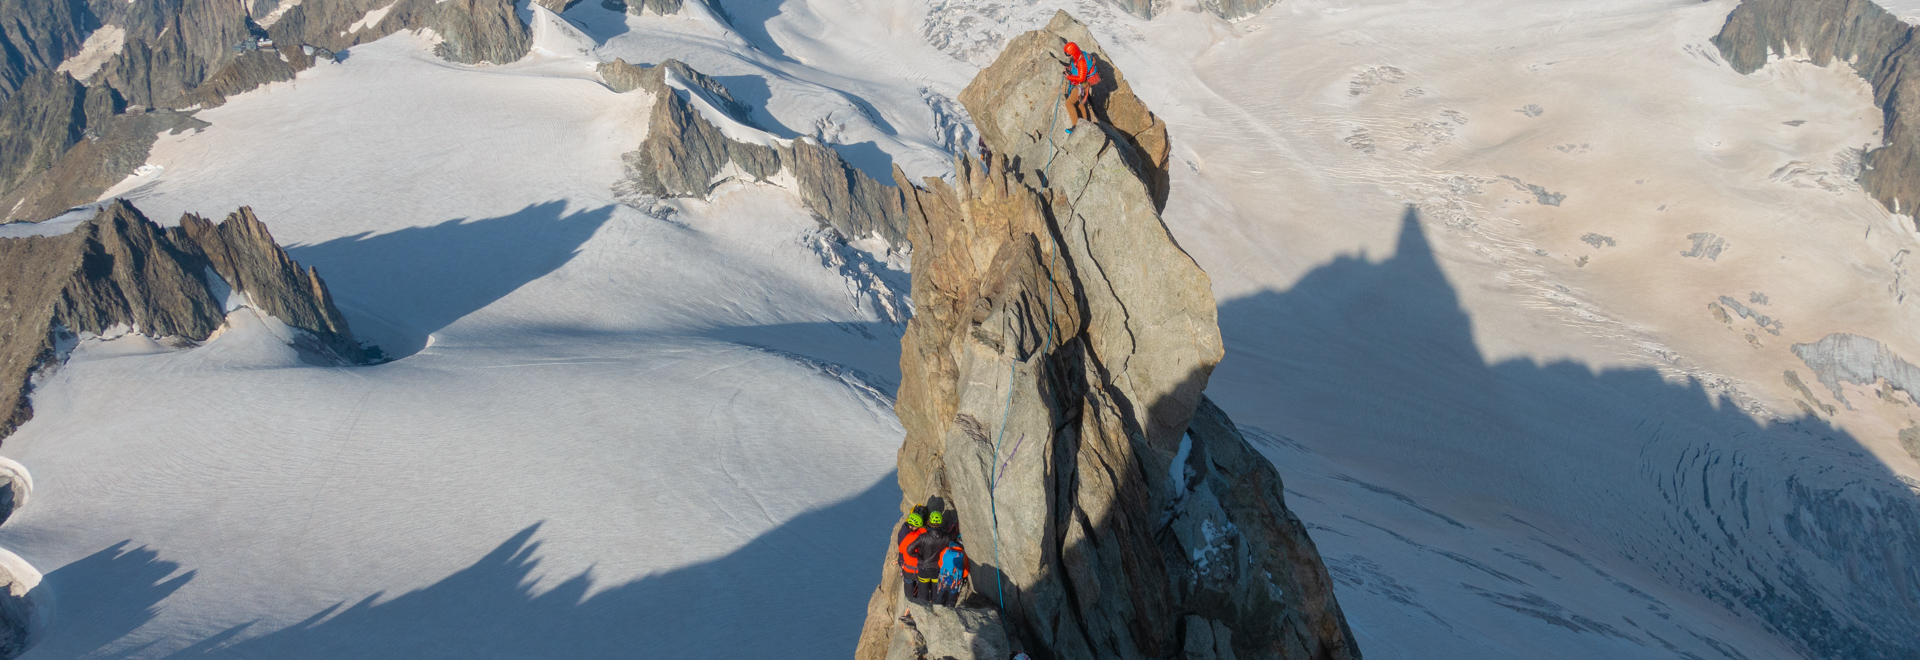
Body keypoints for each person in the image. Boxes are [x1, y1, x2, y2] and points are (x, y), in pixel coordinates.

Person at [896, 497, 937, 603]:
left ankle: (910, 608)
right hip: (920, 569)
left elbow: (902, 549)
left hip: (908, 568)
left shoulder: (905, 535)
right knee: (922, 591)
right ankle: (920, 608)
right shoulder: (924, 534)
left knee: (909, 590)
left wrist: (901, 561)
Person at [1060, 42, 1102, 134]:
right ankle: (1085, 125)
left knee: (1069, 103)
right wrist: (1069, 69)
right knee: (1080, 105)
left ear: (1073, 52)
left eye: (1068, 54)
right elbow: (1076, 68)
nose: (1067, 56)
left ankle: (1076, 126)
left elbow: (1082, 78)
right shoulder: (1079, 55)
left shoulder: (1082, 62)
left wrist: (1069, 77)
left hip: (1082, 85)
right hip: (1084, 84)